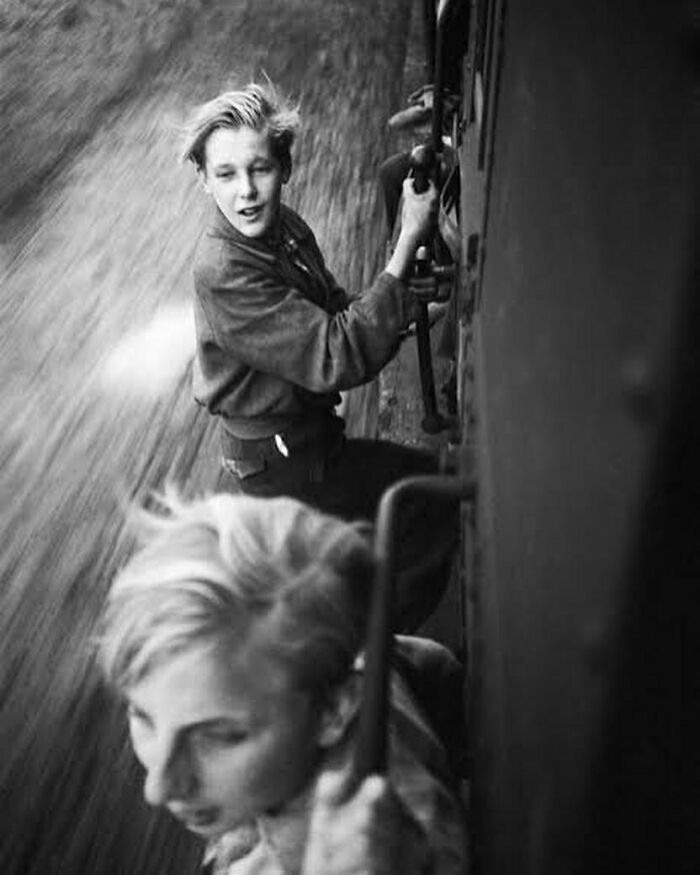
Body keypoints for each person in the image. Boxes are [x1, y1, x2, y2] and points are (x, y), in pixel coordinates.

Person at [181, 81, 457, 630]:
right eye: (226, 175)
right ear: (204, 180)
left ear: (284, 167)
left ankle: (361, 636)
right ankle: (377, 654)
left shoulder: (283, 227)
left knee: (393, 522)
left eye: (260, 168)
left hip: (311, 440)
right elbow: (337, 355)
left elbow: (333, 312)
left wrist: (407, 309)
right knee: (428, 501)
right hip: (283, 462)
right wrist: (406, 241)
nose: (246, 192)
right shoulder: (223, 270)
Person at [97, 491, 468, 874]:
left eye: (220, 736)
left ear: (334, 710)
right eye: (142, 717)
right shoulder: (319, 671)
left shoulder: (398, 840)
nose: (158, 788)